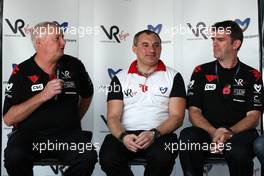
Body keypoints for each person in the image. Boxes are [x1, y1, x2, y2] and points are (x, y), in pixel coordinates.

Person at [3, 22, 97, 176]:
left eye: (63, 37)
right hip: (29, 136)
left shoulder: (74, 65)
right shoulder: (21, 71)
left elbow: (87, 95)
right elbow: (8, 118)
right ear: (39, 43)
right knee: (14, 157)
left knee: (88, 156)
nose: (63, 42)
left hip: (67, 135)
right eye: (57, 38)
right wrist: (42, 96)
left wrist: (74, 119)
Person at [179, 20, 263, 176]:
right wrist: (213, 132)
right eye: (213, 40)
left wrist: (229, 132)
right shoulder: (200, 71)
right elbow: (194, 111)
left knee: (237, 150)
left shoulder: (252, 75)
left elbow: (254, 117)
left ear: (235, 44)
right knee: (188, 139)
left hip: (239, 133)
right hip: (207, 131)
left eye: (221, 40)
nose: (214, 44)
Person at [99, 29, 186, 176]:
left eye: (156, 45)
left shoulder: (174, 76)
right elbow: (113, 117)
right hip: (126, 134)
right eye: (145, 45)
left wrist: (154, 134)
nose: (152, 50)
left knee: (163, 158)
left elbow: (177, 117)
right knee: (108, 158)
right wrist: (123, 136)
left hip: (160, 134)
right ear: (134, 49)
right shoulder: (119, 78)